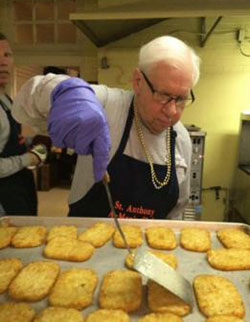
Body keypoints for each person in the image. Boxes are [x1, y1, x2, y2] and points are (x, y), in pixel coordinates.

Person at [12, 35, 201, 219]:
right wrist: (63, 92)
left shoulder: (181, 139)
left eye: (181, 99)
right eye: (162, 95)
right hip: (85, 243)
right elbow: (24, 104)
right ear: (138, 81)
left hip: (147, 247)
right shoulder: (107, 105)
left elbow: (176, 211)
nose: (172, 111)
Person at [0, 32, 47, 216]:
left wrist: (31, 143)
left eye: (7, 55)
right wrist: (29, 158)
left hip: (19, 190)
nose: (3, 62)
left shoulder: (6, 99)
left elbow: (7, 142)